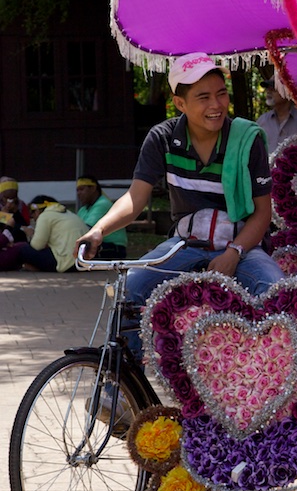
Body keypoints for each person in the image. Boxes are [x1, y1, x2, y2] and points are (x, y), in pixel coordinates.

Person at [76, 52, 284, 359]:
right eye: (203, 97)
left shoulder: (246, 138)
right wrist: (98, 230)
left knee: (278, 293)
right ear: (180, 103)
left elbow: (262, 212)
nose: (216, 105)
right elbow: (135, 198)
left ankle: (269, 388)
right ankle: (121, 390)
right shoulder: (161, 137)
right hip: (184, 245)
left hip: (242, 246)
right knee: (130, 291)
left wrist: (234, 252)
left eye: (221, 94)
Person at [0, 195, 88, 272]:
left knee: (22, 248)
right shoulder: (69, 213)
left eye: (33, 213)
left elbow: (36, 246)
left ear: (37, 210)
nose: (33, 218)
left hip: (65, 263)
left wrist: (31, 236)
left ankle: (27, 266)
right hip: (83, 262)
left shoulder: (45, 216)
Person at [76, 175, 128, 259]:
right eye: (77, 190)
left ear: (93, 189)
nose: (79, 194)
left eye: (82, 189)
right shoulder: (83, 209)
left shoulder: (102, 204)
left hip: (113, 248)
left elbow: (87, 229)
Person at [257, 78, 297, 155]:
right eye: (267, 88)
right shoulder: (262, 122)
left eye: (273, 88)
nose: (268, 92)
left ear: (287, 92)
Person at [0, 177, 31, 247]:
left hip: (19, 241)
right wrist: (3, 215)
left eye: (13, 198)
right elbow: (3, 227)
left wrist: (16, 212)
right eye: (6, 198)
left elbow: (26, 226)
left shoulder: (21, 205)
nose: (9, 201)